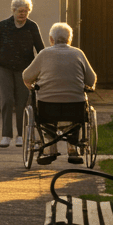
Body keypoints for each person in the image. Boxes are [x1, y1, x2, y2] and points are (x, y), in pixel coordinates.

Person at [22, 22, 98, 164]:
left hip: (47, 107)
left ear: (51, 39)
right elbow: (92, 79)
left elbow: (26, 76)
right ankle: (73, 148)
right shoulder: (78, 53)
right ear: (70, 39)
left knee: (46, 119)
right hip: (75, 106)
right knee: (76, 118)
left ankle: (49, 149)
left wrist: (31, 86)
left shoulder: (44, 54)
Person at [0, 0, 45, 148]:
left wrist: (43, 66)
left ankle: (21, 135)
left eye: (26, 11)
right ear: (13, 10)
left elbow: (40, 48)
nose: (23, 14)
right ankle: (6, 135)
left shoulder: (32, 26)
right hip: (4, 67)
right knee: (7, 100)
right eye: (20, 11)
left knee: (22, 102)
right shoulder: (3, 26)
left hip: (25, 69)